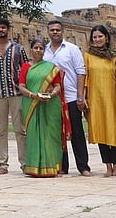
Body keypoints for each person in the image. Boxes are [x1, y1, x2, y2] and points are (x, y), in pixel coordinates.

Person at [46, 19, 90, 175]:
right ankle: (62, 165)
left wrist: (80, 96)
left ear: (62, 31)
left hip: (71, 96)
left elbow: (81, 71)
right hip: (53, 98)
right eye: (52, 30)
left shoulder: (71, 49)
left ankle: (83, 166)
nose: (55, 32)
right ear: (48, 32)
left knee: (77, 132)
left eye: (58, 30)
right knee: (57, 133)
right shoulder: (44, 51)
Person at [19, 38, 69, 177]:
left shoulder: (51, 67)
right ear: (31, 49)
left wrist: (52, 94)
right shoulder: (26, 67)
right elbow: (21, 86)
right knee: (33, 134)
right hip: (31, 104)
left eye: (41, 48)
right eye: (36, 48)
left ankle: (52, 166)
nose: (38, 50)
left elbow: (58, 85)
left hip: (49, 104)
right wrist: (32, 95)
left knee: (52, 135)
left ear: (44, 50)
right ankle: (34, 167)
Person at [0, 17, 28, 175]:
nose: (1, 30)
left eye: (3, 27)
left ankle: (24, 163)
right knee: (1, 131)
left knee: (20, 130)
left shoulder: (18, 48)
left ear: (8, 29)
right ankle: (3, 164)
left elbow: (25, 70)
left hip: (16, 93)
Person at [84, 24, 116, 177]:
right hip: (95, 98)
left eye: (100, 36)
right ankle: (107, 166)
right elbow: (86, 77)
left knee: (114, 130)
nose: (97, 39)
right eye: (94, 37)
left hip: (113, 97)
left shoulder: (115, 56)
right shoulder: (88, 55)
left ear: (106, 37)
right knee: (100, 130)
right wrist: (84, 97)